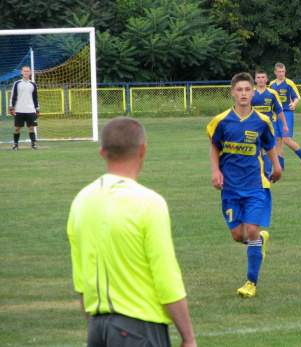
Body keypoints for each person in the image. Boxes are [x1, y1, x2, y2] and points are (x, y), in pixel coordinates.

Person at [67, 117, 196, 347]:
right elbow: (166, 278)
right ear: (143, 149)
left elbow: (81, 278)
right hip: (140, 329)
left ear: (102, 153)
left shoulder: (81, 201)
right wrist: (188, 337)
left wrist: (97, 327)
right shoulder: (149, 203)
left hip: (97, 327)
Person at [207, 72, 283, 298]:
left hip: (256, 185)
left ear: (253, 92)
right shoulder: (221, 121)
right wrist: (215, 170)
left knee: (251, 230)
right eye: (239, 90)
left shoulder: (262, 121)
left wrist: (276, 167)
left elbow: (269, 145)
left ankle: (251, 282)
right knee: (239, 236)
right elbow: (214, 147)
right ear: (232, 93)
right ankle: (259, 242)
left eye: (247, 90)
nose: (243, 93)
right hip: (230, 187)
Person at [269, 62, 301, 170]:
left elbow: (297, 97)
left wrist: (294, 104)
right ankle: (280, 167)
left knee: (286, 140)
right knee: (277, 140)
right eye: (279, 71)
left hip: (286, 113)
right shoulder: (272, 84)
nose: (281, 73)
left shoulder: (289, 83)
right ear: (275, 72)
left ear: (285, 71)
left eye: (283, 71)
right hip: (275, 115)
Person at [252, 69, 289, 177]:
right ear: (255, 79)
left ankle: (267, 174)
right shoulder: (251, 93)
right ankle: (257, 173)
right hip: (254, 126)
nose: (260, 80)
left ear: (267, 79)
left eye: (263, 77)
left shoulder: (272, 93)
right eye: (258, 77)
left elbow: (279, 110)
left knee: (268, 149)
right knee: (255, 150)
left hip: (269, 125)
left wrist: (285, 125)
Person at [10, 66, 40, 150]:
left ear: (30, 72)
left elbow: (35, 98)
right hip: (19, 109)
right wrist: (11, 107)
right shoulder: (17, 83)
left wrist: (37, 108)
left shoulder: (33, 84)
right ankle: (15, 144)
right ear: (22, 72)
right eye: (24, 71)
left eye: (28, 71)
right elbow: (13, 96)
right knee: (17, 128)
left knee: (31, 127)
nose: (26, 72)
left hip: (30, 109)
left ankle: (33, 144)